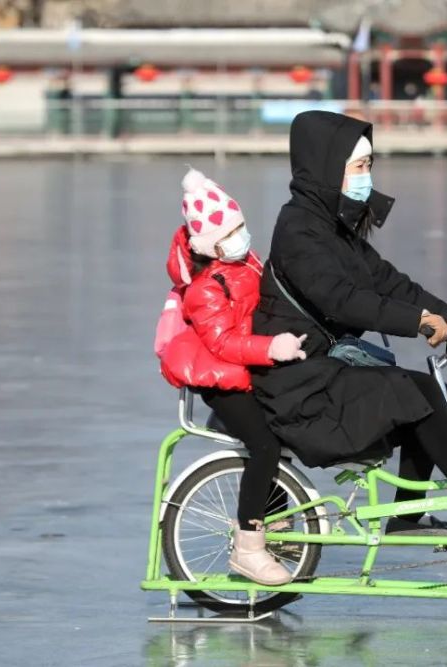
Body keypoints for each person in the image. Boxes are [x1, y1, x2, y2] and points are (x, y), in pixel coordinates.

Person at [251, 110, 447, 537]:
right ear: (328, 167)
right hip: (297, 383)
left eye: (370, 165)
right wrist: (418, 322)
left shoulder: (333, 225)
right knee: (408, 393)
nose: (368, 175)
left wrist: (443, 312)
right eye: (360, 167)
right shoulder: (299, 230)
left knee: (422, 389)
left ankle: (407, 517)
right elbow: (343, 300)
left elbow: (385, 280)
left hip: (323, 367)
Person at [160, 168, 309, 586]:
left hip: (245, 369)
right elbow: (224, 344)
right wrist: (271, 348)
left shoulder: (246, 262)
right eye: (233, 230)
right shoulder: (204, 288)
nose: (242, 235)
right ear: (211, 242)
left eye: (242, 225)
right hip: (219, 379)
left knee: (288, 426)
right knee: (264, 446)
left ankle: (277, 519)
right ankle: (249, 547)